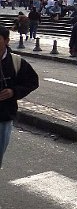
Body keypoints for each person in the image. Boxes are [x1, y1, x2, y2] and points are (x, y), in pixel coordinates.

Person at [0, 25, 39, 168]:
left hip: (3, 116)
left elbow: (32, 81)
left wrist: (13, 92)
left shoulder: (16, 62)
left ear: (6, 41)